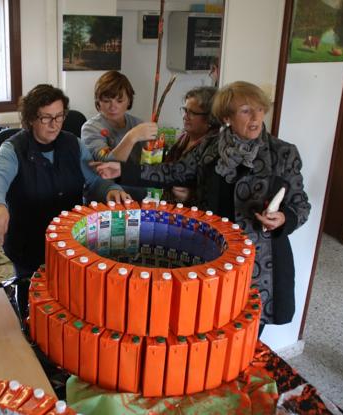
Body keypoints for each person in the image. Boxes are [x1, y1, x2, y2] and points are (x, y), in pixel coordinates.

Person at [99, 81, 311, 329]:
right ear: (226, 117)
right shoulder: (211, 147)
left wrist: (284, 218)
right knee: (205, 325)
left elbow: (300, 204)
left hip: (259, 264)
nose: (255, 117)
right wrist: (123, 170)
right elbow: (174, 171)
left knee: (246, 332)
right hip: (210, 255)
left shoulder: (282, 153)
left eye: (259, 109)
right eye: (245, 110)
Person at [0, 84, 129, 281]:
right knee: (31, 295)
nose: (55, 124)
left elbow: (94, 181)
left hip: (70, 242)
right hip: (29, 244)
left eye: (59, 116)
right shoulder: (13, 149)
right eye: (46, 118)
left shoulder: (74, 144)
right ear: (30, 119)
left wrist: (110, 189)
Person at [81, 70, 157, 200]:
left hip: (139, 192)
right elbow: (108, 166)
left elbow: (151, 165)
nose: (113, 107)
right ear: (98, 102)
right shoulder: (90, 128)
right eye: (106, 101)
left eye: (119, 100)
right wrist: (132, 137)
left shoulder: (138, 124)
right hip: (107, 193)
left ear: (129, 101)